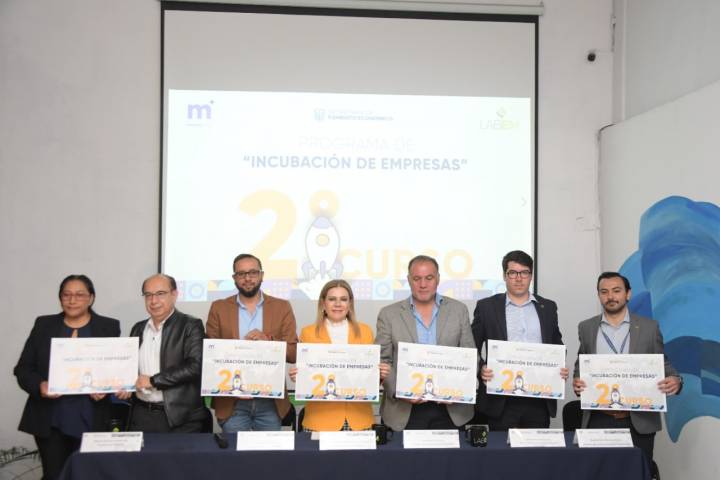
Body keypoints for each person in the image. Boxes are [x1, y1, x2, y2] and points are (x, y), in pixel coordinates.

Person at [573, 272, 682, 479]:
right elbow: (581, 363)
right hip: (599, 418)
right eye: (604, 292)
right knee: (599, 474)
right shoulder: (586, 328)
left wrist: (676, 380)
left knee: (636, 474)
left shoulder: (649, 328)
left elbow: (663, 364)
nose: (610, 297)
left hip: (638, 421)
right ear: (599, 295)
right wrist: (577, 380)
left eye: (616, 291)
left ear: (628, 294)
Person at [14, 275, 120, 480]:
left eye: (79, 295)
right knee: (55, 476)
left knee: (88, 475)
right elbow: (23, 368)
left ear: (91, 298)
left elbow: (112, 369)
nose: (72, 300)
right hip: (51, 418)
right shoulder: (44, 325)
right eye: (66, 295)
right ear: (60, 298)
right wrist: (40, 385)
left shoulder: (108, 326)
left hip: (91, 416)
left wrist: (105, 388)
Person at [376, 255, 476, 431]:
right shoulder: (388, 314)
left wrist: (459, 389)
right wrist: (399, 391)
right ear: (409, 280)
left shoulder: (458, 310)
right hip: (404, 411)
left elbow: (470, 356)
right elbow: (383, 361)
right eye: (417, 278)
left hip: (451, 410)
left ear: (438, 279)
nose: (423, 284)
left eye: (429, 278)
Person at [472, 250, 568, 430]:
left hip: (539, 397)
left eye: (524, 272)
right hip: (500, 400)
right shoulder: (487, 307)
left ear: (531, 275)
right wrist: (481, 368)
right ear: (504, 276)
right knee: (501, 448)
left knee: (536, 448)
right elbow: (471, 347)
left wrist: (559, 365)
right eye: (513, 273)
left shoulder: (548, 307)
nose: (518, 278)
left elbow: (557, 345)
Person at [206, 254, 298, 431]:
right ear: (234, 278)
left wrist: (268, 341)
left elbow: (293, 353)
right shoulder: (219, 308)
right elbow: (210, 355)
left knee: (269, 450)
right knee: (234, 449)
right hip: (232, 401)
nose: (247, 278)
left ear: (262, 275)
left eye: (253, 273)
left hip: (270, 402)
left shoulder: (282, 307)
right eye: (241, 274)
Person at [289, 280, 390, 431]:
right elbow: (308, 377)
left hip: (359, 418)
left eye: (343, 299)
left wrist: (380, 374)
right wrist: (298, 377)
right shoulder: (308, 333)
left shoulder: (365, 331)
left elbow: (369, 378)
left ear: (350, 304)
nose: (338, 304)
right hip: (320, 419)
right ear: (323, 303)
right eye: (332, 299)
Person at [116, 274, 206, 433]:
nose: (153, 301)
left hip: (179, 418)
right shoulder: (138, 328)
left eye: (160, 294)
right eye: (148, 295)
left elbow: (195, 366)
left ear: (174, 295)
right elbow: (130, 367)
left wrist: (153, 381)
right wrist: (126, 386)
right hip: (141, 414)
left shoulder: (191, 325)